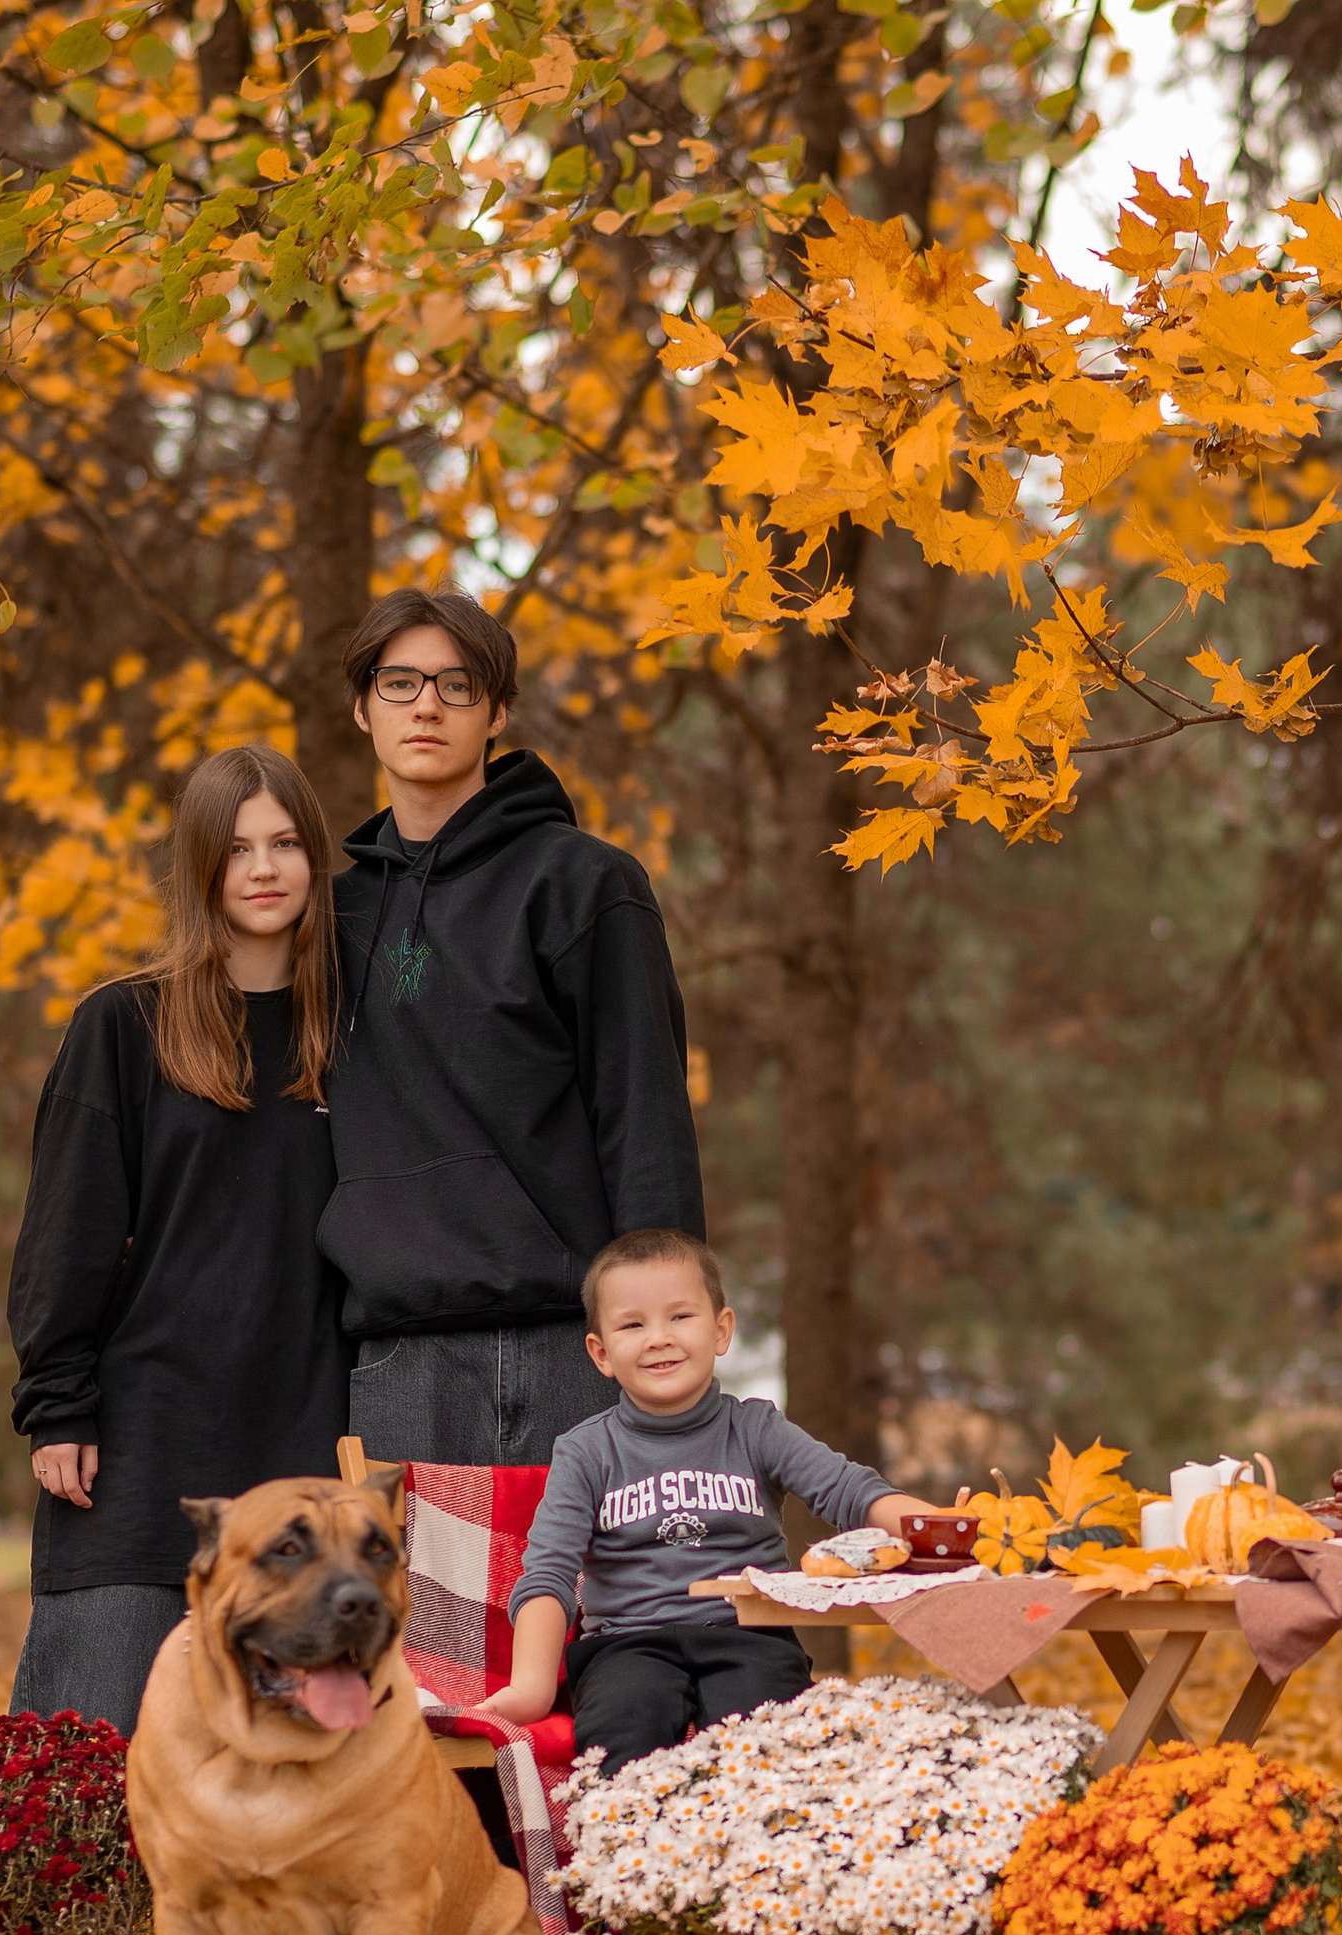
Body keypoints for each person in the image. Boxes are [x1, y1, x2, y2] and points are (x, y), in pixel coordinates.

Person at [6, 747, 351, 1735]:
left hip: (302, 1450)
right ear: (201, 868)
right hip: (138, 1447)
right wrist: (58, 1404)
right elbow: (63, 1231)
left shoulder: (355, 1040)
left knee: (289, 1758)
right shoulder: (124, 1023)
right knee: (100, 1755)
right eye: (237, 847)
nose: (263, 867)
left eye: (286, 842)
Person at [323, 588, 704, 1468]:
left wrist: (662, 1343)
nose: (426, 704)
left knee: (588, 1610)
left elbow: (644, 1119)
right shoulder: (326, 920)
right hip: (397, 1357)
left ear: (497, 712)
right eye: (400, 682)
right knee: (432, 1614)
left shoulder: (583, 884)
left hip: (572, 1344)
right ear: (361, 707)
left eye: (458, 685)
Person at [484, 1229, 930, 1772]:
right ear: (601, 1354)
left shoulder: (756, 1429)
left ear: (721, 1331)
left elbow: (850, 1491)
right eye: (632, 1324)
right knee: (624, 1729)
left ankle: (762, 1850)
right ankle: (634, 1848)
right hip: (626, 1645)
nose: (658, 1338)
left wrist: (938, 1529)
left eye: (680, 1316)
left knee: (769, 1736)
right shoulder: (585, 1452)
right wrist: (531, 1686)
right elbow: (548, 1572)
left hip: (750, 1635)